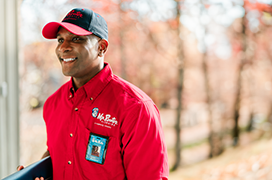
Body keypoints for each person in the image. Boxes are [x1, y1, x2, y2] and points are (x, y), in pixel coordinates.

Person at [19, 8, 169, 180]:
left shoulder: (137, 108)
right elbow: (59, 156)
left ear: (101, 47)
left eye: (76, 39)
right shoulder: (53, 104)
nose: (63, 47)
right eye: (60, 40)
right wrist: (34, 175)